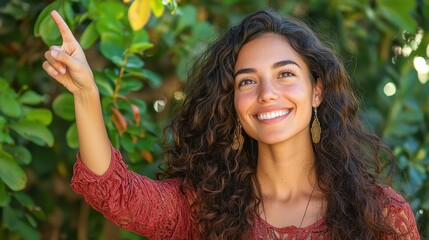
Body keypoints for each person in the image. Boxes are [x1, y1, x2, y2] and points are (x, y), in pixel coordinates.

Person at [42, 8, 420, 240]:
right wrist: (86, 93)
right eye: (247, 81)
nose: (267, 93)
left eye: (285, 74)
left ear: (317, 91)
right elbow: (113, 191)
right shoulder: (203, 211)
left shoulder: (380, 215)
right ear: (233, 104)